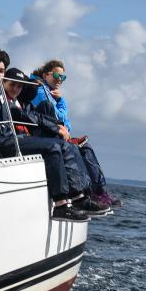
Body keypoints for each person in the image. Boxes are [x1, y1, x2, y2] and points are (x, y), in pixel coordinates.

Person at [0, 49, 104, 219]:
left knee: (64, 145)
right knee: (53, 147)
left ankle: (78, 198)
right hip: (0, 141)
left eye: (1, 71)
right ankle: (60, 205)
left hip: (10, 137)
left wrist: (57, 126)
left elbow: (23, 114)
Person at [3, 66, 103, 214]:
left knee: (72, 147)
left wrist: (59, 125)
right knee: (55, 147)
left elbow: (37, 116)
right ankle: (64, 203)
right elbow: (26, 116)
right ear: (4, 82)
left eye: (19, 86)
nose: (16, 89)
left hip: (24, 137)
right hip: (10, 140)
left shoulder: (19, 101)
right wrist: (56, 128)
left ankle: (84, 195)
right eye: (12, 84)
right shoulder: (3, 100)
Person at [29, 59, 122, 209]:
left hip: (53, 132)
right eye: (57, 76)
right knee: (78, 150)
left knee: (86, 148)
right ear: (46, 75)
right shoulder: (40, 91)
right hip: (46, 134)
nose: (60, 80)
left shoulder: (48, 92)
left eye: (63, 77)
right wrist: (61, 101)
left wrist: (60, 103)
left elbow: (65, 123)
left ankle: (100, 193)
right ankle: (87, 195)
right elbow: (59, 117)